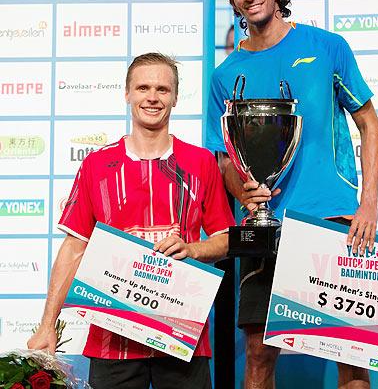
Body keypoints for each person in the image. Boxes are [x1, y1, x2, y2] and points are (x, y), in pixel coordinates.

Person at [206, 0, 378, 389]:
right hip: (265, 229)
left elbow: (369, 124)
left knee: (349, 355)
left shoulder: (327, 47)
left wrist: (368, 205)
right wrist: (243, 191)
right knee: (259, 357)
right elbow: (224, 157)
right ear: (233, 1)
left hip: (333, 217)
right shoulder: (225, 74)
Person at [28, 52, 235, 389]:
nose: (152, 97)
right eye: (142, 87)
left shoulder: (201, 163)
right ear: (127, 94)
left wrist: (193, 250)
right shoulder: (96, 165)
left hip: (183, 341)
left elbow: (226, 237)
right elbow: (74, 248)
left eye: (162, 89)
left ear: (176, 97)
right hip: (112, 343)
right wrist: (47, 323)